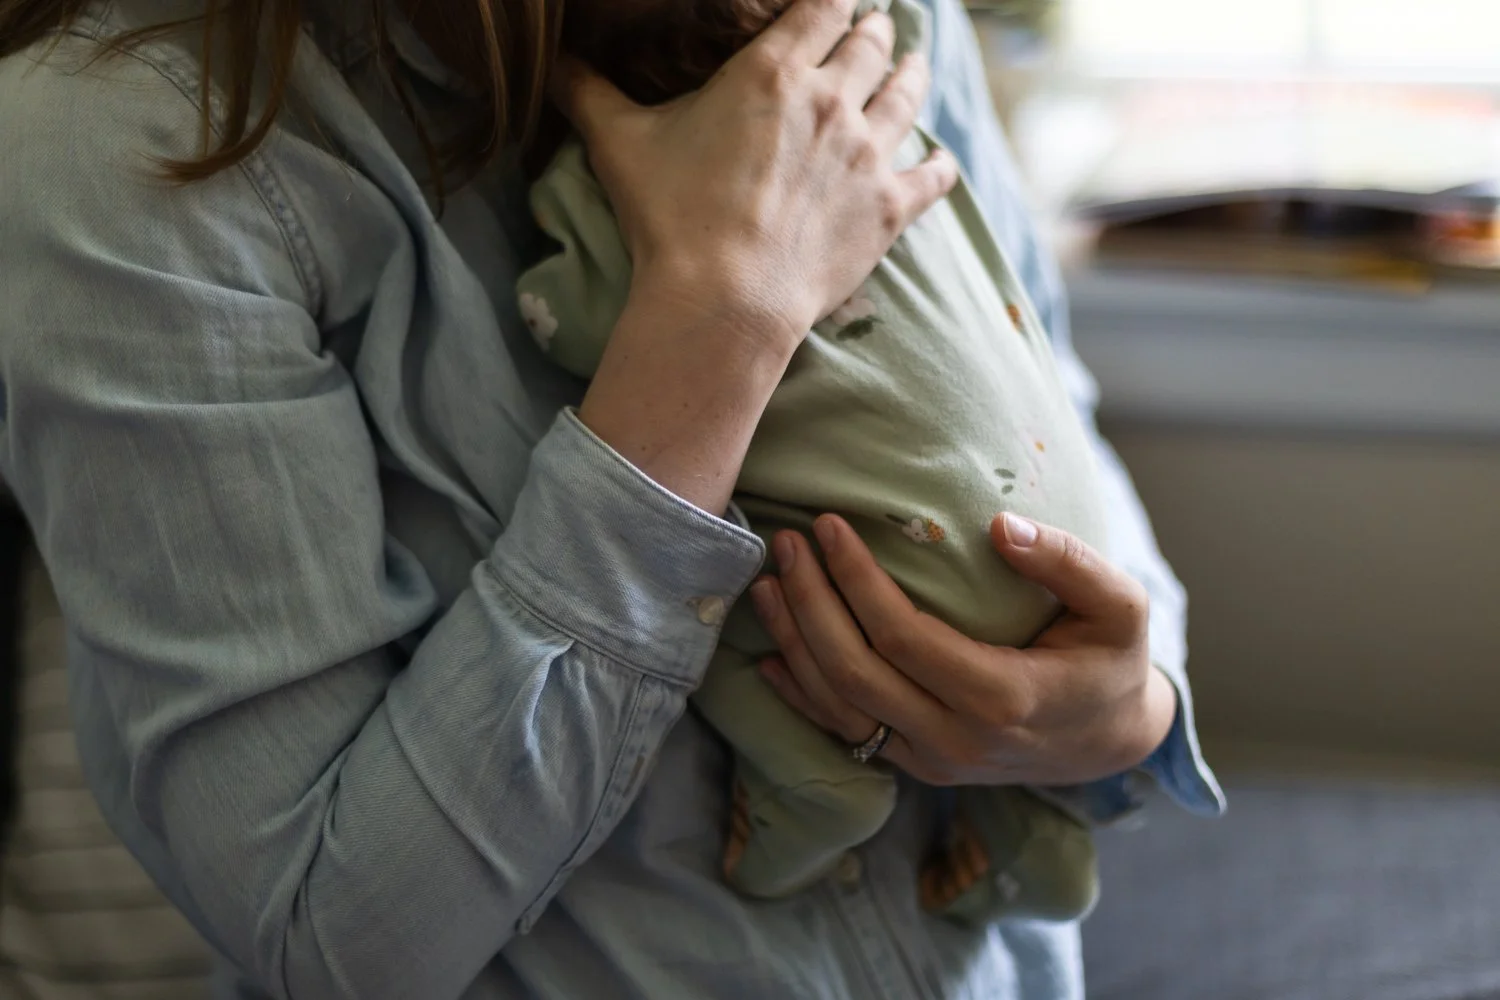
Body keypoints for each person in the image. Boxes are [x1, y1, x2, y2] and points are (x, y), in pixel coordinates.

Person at [0, 0, 1223, 998]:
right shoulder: (128, 144)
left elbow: (1045, 414)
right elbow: (333, 934)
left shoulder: (873, 17)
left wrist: (1126, 701)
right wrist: (719, 325)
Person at [520, 0, 1107, 926]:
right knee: (949, 558)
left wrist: (542, 287)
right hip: (1065, 542)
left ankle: (815, 782)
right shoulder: (881, 90)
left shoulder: (606, 167)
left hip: (894, 571)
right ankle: (1037, 828)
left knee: (705, 584)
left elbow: (576, 321)